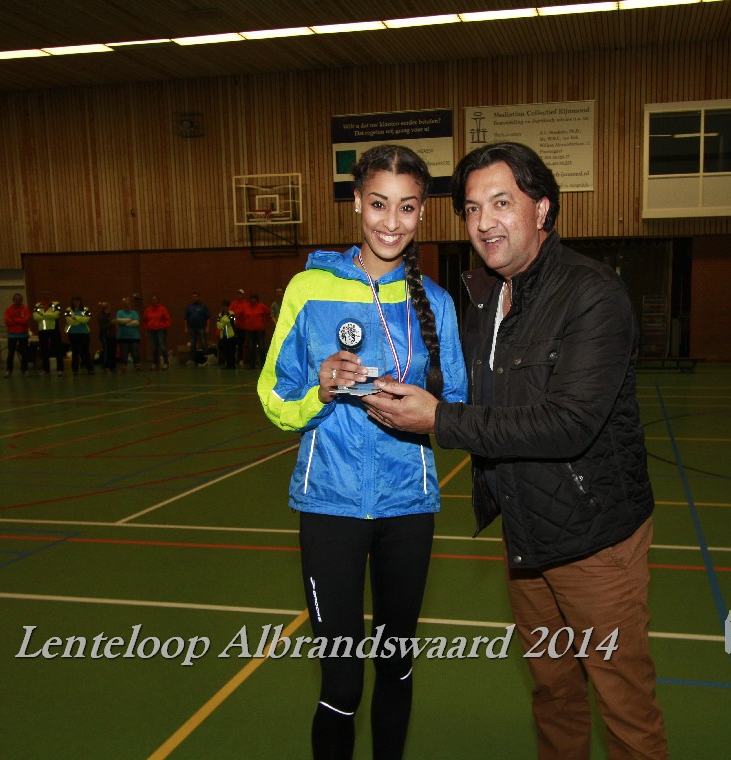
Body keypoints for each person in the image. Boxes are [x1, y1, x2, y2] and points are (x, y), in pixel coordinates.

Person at [364, 142, 668, 759]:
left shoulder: (592, 294)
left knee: (625, 707)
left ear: (542, 208)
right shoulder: (484, 298)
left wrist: (438, 419)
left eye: (502, 203)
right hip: (526, 535)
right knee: (554, 693)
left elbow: (568, 425)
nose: (484, 223)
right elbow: (471, 393)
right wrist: (374, 374)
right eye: (473, 209)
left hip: (595, 540)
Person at [258, 144, 466, 760]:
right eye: (379, 204)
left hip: (409, 507)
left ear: (422, 212)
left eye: (407, 207)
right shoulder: (308, 289)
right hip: (330, 507)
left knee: (396, 666)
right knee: (342, 684)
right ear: (356, 203)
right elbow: (274, 396)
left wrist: (427, 412)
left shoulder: (437, 303)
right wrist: (319, 391)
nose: (391, 222)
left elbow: (457, 406)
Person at [33, 292, 63, 376]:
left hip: (54, 330)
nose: (46, 296)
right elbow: (36, 317)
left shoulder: (56, 304)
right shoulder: (37, 306)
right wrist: (49, 315)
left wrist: (43, 315)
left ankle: (60, 369)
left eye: (47, 295)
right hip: (42, 331)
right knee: (44, 350)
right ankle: (46, 370)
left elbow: (56, 315)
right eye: (44, 295)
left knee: (58, 350)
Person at [3, 293, 31, 377]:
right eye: (16, 299)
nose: (18, 301)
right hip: (12, 335)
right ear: (13, 300)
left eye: (19, 299)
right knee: (10, 354)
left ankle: (25, 369)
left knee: (24, 353)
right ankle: (9, 370)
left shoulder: (25, 309)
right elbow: (7, 321)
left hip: (23, 335)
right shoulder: (8, 309)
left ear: (22, 300)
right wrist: (20, 320)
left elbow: (25, 321)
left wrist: (14, 320)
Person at [64, 296, 94, 375]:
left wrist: (75, 318)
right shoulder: (68, 310)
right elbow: (69, 321)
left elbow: (86, 320)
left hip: (84, 333)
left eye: (78, 301)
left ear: (80, 302)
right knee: (75, 352)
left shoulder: (85, 309)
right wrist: (80, 319)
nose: (76, 302)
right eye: (75, 301)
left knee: (86, 351)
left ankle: (89, 368)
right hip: (72, 333)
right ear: (72, 302)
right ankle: (75, 370)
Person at [240, 293, 269, 370]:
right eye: (252, 298)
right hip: (249, 330)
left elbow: (268, 312)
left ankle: (263, 364)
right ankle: (252, 365)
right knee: (251, 347)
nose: (253, 300)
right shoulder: (246, 307)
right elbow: (241, 316)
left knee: (261, 347)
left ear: (257, 300)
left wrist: (265, 321)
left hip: (260, 330)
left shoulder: (261, 306)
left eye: (254, 298)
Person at [143, 294, 172, 370]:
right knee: (154, 347)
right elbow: (145, 319)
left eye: (155, 299)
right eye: (152, 299)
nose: (153, 301)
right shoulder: (148, 310)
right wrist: (147, 326)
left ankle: (166, 363)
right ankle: (155, 363)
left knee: (162, 346)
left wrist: (165, 326)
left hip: (160, 330)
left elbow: (167, 319)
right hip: (151, 330)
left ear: (158, 300)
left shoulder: (162, 309)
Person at [184, 291, 211, 364]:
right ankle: (193, 359)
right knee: (192, 343)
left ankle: (207, 358)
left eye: (196, 297)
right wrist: (185, 328)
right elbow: (186, 318)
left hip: (201, 327)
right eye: (193, 297)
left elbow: (208, 318)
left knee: (203, 342)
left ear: (199, 297)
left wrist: (207, 327)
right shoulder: (189, 307)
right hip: (192, 328)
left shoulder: (203, 306)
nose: (194, 298)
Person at [116, 296, 142, 371]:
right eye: (125, 304)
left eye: (128, 304)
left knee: (135, 352)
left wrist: (124, 322)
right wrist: (130, 320)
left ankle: (137, 365)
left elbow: (136, 322)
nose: (126, 305)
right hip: (123, 337)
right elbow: (119, 321)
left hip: (134, 337)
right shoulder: (119, 312)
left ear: (130, 304)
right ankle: (123, 366)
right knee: (124, 353)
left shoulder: (135, 313)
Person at [215, 300, 237, 370]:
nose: (224, 308)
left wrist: (223, 322)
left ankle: (232, 365)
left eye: (225, 306)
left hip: (231, 335)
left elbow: (231, 321)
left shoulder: (232, 313)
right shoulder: (220, 315)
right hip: (223, 335)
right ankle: (227, 364)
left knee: (231, 351)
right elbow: (218, 325)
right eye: (223, 306)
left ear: (228, 307)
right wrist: (224, 321)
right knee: (223, 349)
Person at [230, 288, 249, 366]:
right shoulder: (233, 303)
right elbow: (231, 314)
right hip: (234, 327)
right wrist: (234, 318)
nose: (239, 296)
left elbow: (246, 314)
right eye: (238, 294)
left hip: (243, 327)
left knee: (242, 343)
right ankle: (234, 359)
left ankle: (242, 359)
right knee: (234, 343)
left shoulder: (246, 304)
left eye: (240, 294)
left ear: (243, 295)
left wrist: (239, 314)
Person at [97, 301, 117, 373]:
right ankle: (106, 366)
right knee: (107, 351)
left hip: (112, 336)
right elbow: (102, 327)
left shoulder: (109, 315)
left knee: (112, 351)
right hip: (105, 336)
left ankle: (112, 366)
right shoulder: (102, 316)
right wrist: (111, 323)